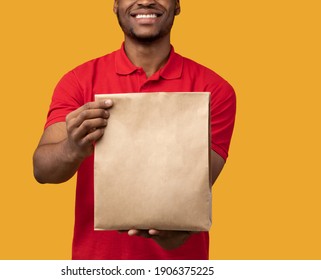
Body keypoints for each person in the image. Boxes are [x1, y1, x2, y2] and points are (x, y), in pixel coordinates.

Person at [33, 0, 236, 260]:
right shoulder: (78, 81)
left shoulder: (214, 89)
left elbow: (197, 190)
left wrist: (178, 236)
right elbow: (43, 171)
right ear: (116, 5)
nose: (146, 0)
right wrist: (73, 146)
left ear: (177, 5)